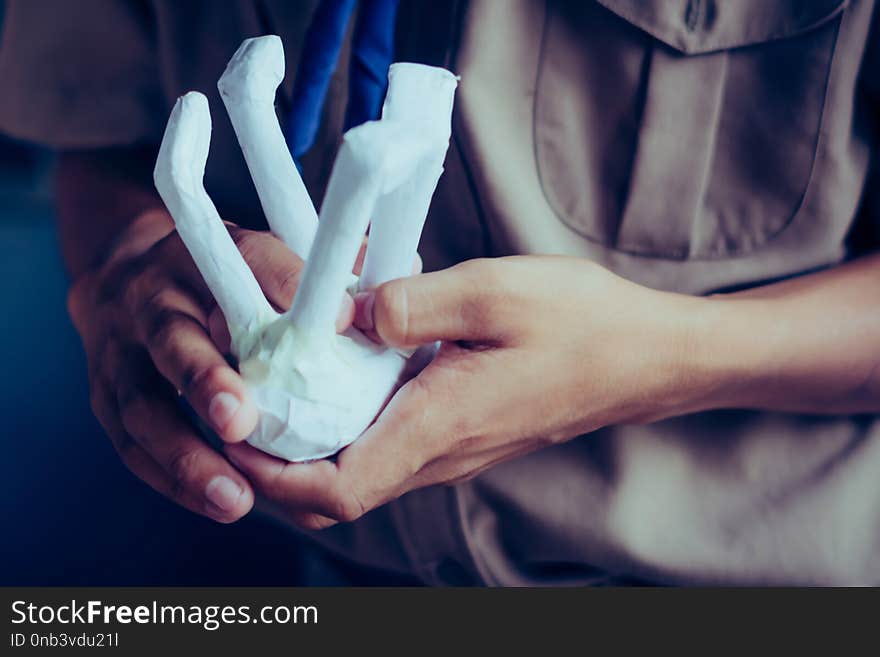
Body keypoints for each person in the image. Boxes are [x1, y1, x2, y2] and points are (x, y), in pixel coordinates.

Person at [1, 0, 879, 586]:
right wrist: (129, 263)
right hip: (327, 573)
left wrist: (669, 356)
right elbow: (94, 129)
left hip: (730, 577)